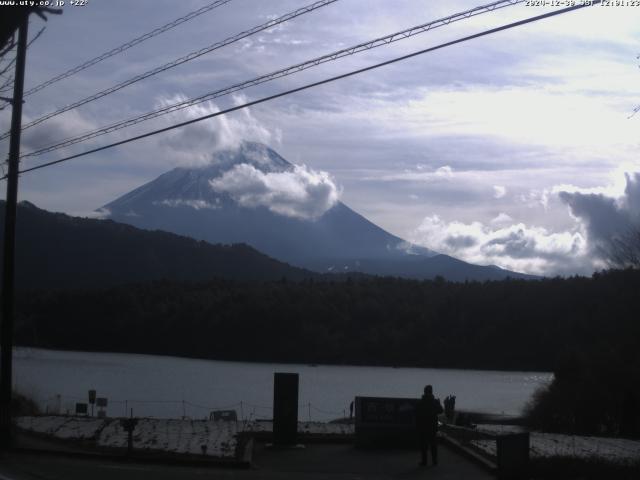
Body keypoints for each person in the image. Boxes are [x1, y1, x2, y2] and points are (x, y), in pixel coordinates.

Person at [416, 385, 443, 466]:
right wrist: (438, 403)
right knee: (433, 444)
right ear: (431, 391)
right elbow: (440, 411)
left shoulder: (421, 402)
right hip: (432, 426)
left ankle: (424, 461)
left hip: (423, 426)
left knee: (424, 445)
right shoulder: (434, 402)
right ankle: (434, 461)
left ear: (424, 391)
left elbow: (417, 412)